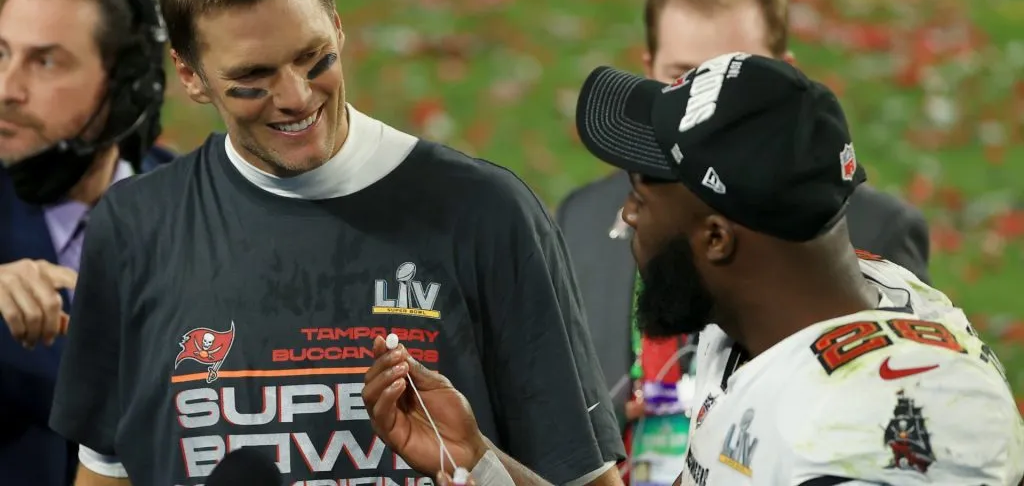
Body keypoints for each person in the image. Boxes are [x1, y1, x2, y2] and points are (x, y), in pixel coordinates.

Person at [47, 0, 623, 485]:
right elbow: (106, 473)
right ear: (190, 74)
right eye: (254, 77)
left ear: (339, 25)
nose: (296, 97)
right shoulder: (134, 230)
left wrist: (482, 467)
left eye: (314, 57)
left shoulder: (488, 215)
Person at [362, 53, 1024, 486]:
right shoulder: (776, 325)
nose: (624, 219)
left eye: (642, 199)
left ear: (715, 238)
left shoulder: (873, 440)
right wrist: (479, 462)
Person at [555, 0, 932, 473]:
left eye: (737, 74)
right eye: (684, 76)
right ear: (650, 68)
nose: (708, 100)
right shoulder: (580, 217)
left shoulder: (867, 252)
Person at [0, 0, 173, 486]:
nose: (7, 89)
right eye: (1, 54)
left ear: (128, 87)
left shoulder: (202, 205)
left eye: (46, 62)